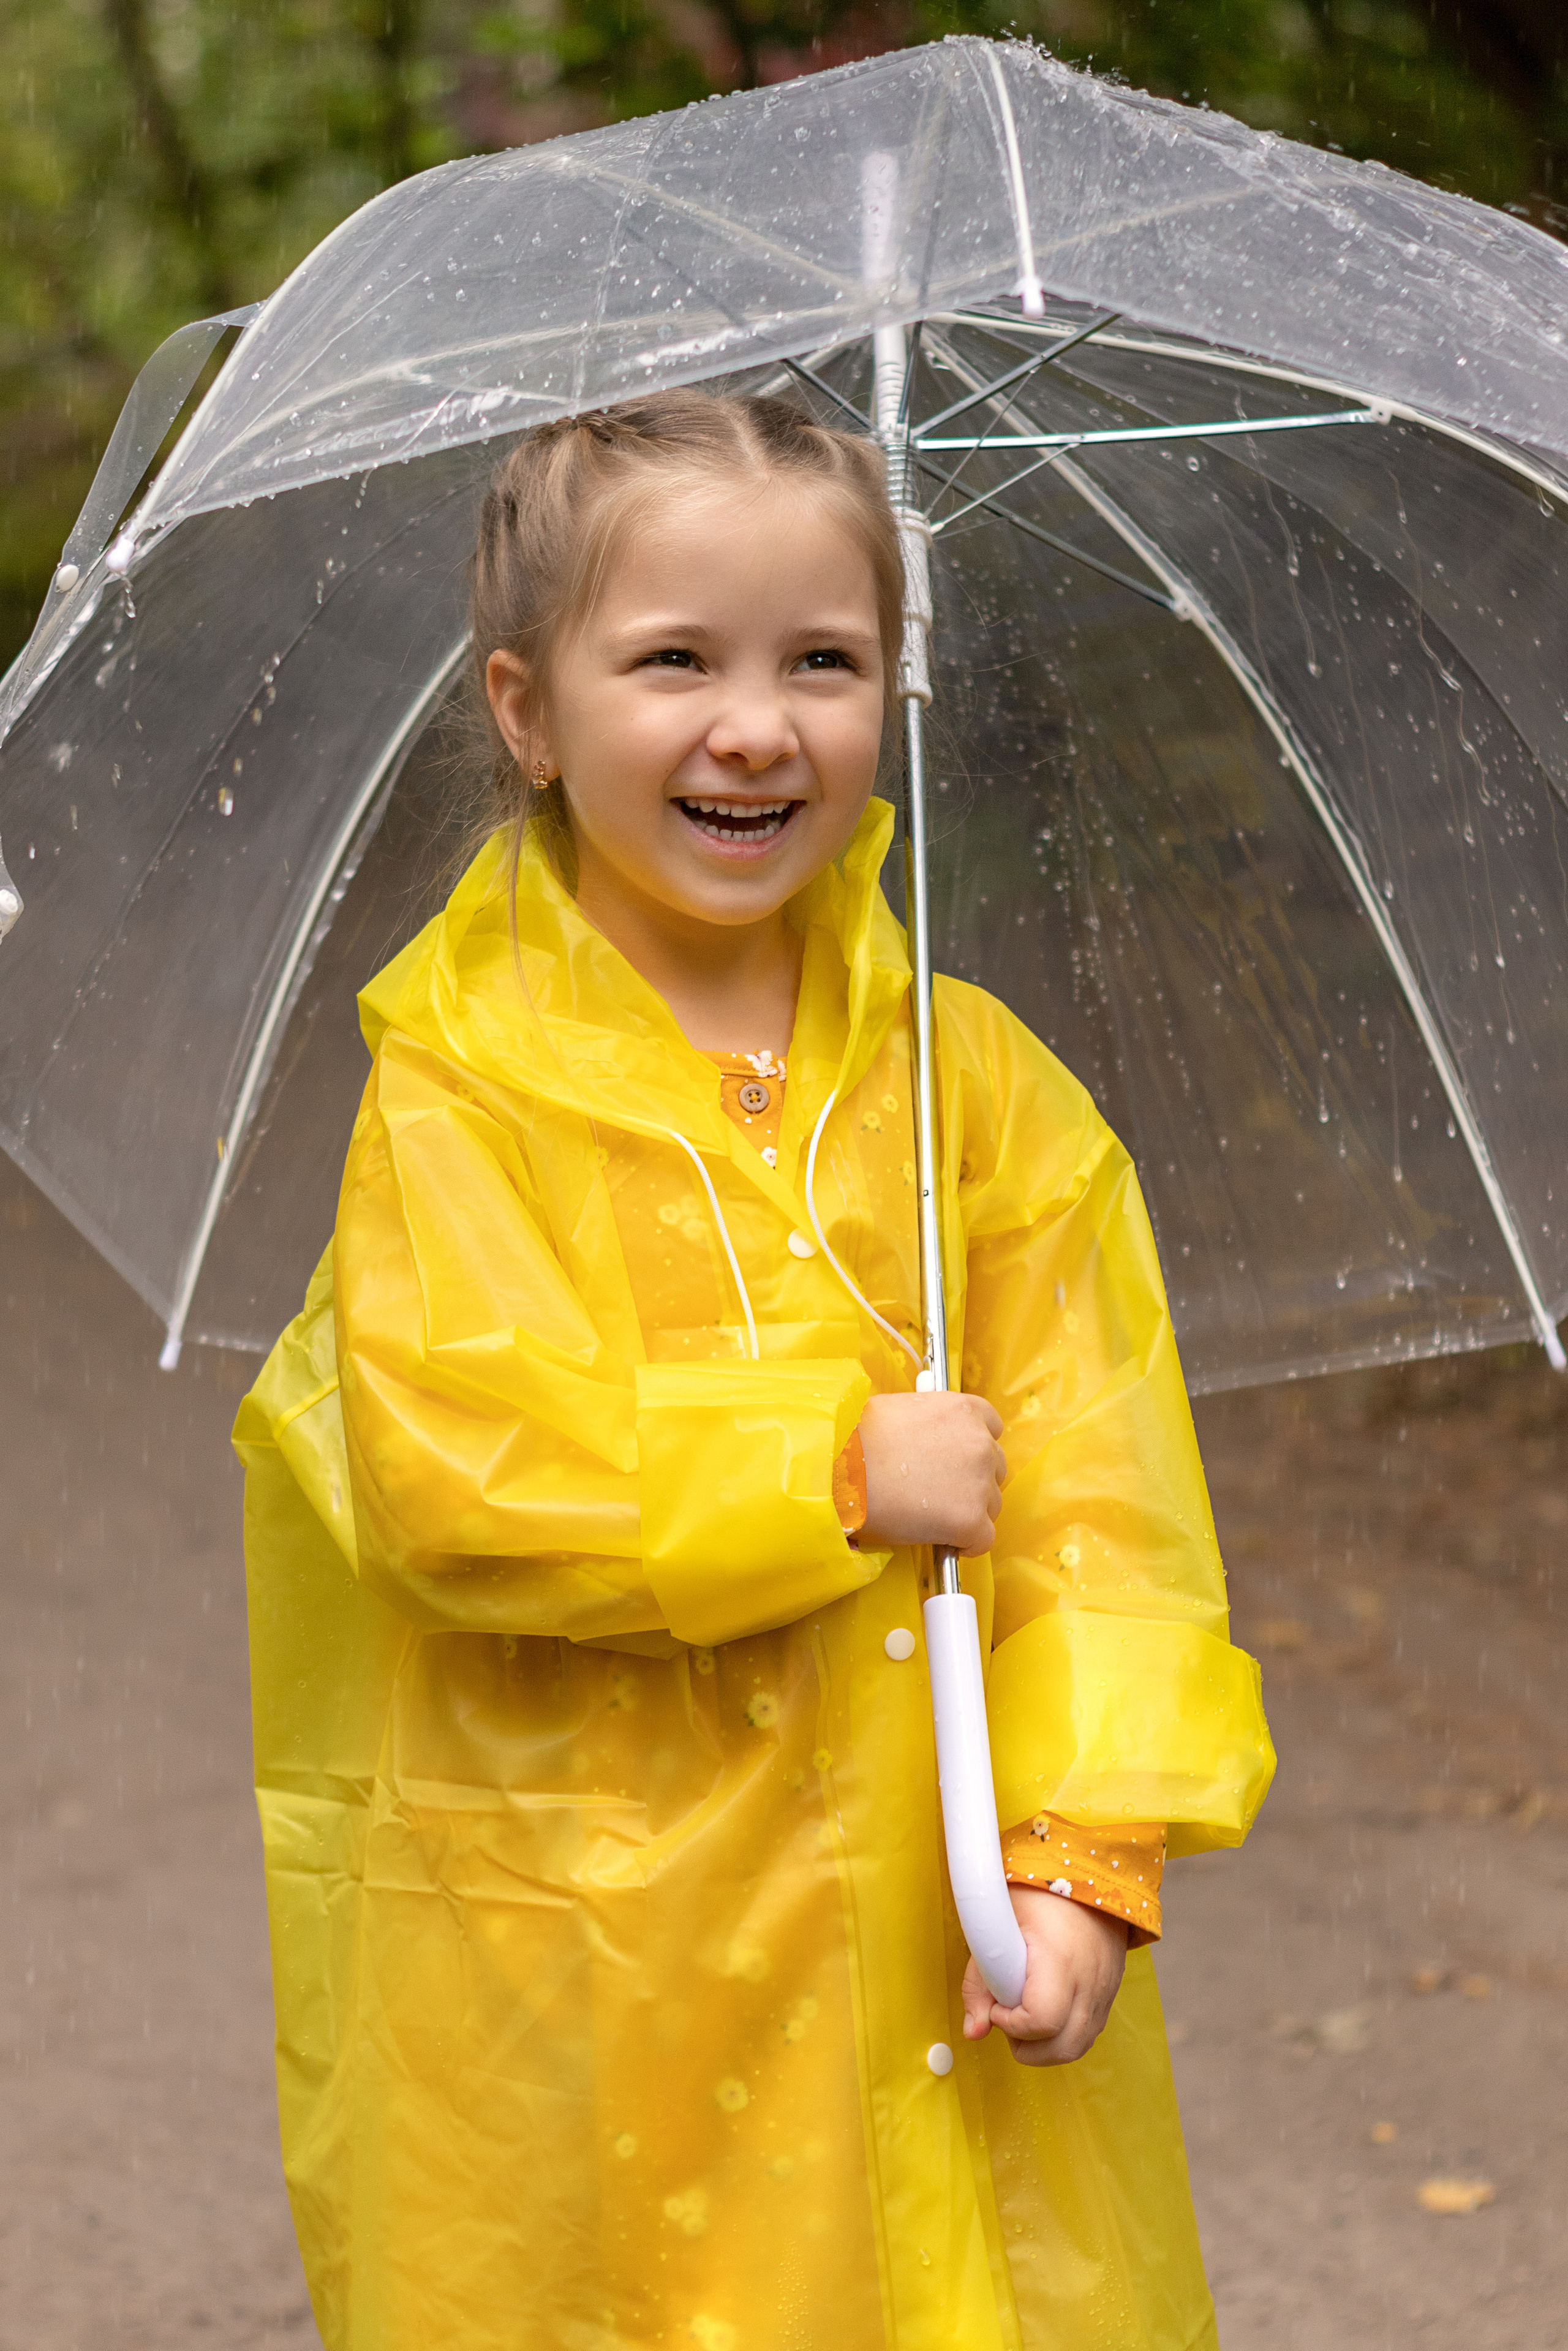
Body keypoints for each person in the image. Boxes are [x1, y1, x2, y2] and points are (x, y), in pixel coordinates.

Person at [234, 389, 1273, 2351]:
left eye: (824, 659)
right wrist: (831, 1474)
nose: (755, 723)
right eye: (674, 661)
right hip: (587, 1961)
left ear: (894, 686)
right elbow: (455, 1466)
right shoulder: (463, 1088)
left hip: (918, 1922)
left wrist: (1081, 1860)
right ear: (529, 713)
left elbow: (1108, 1509)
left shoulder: (974, 1094)